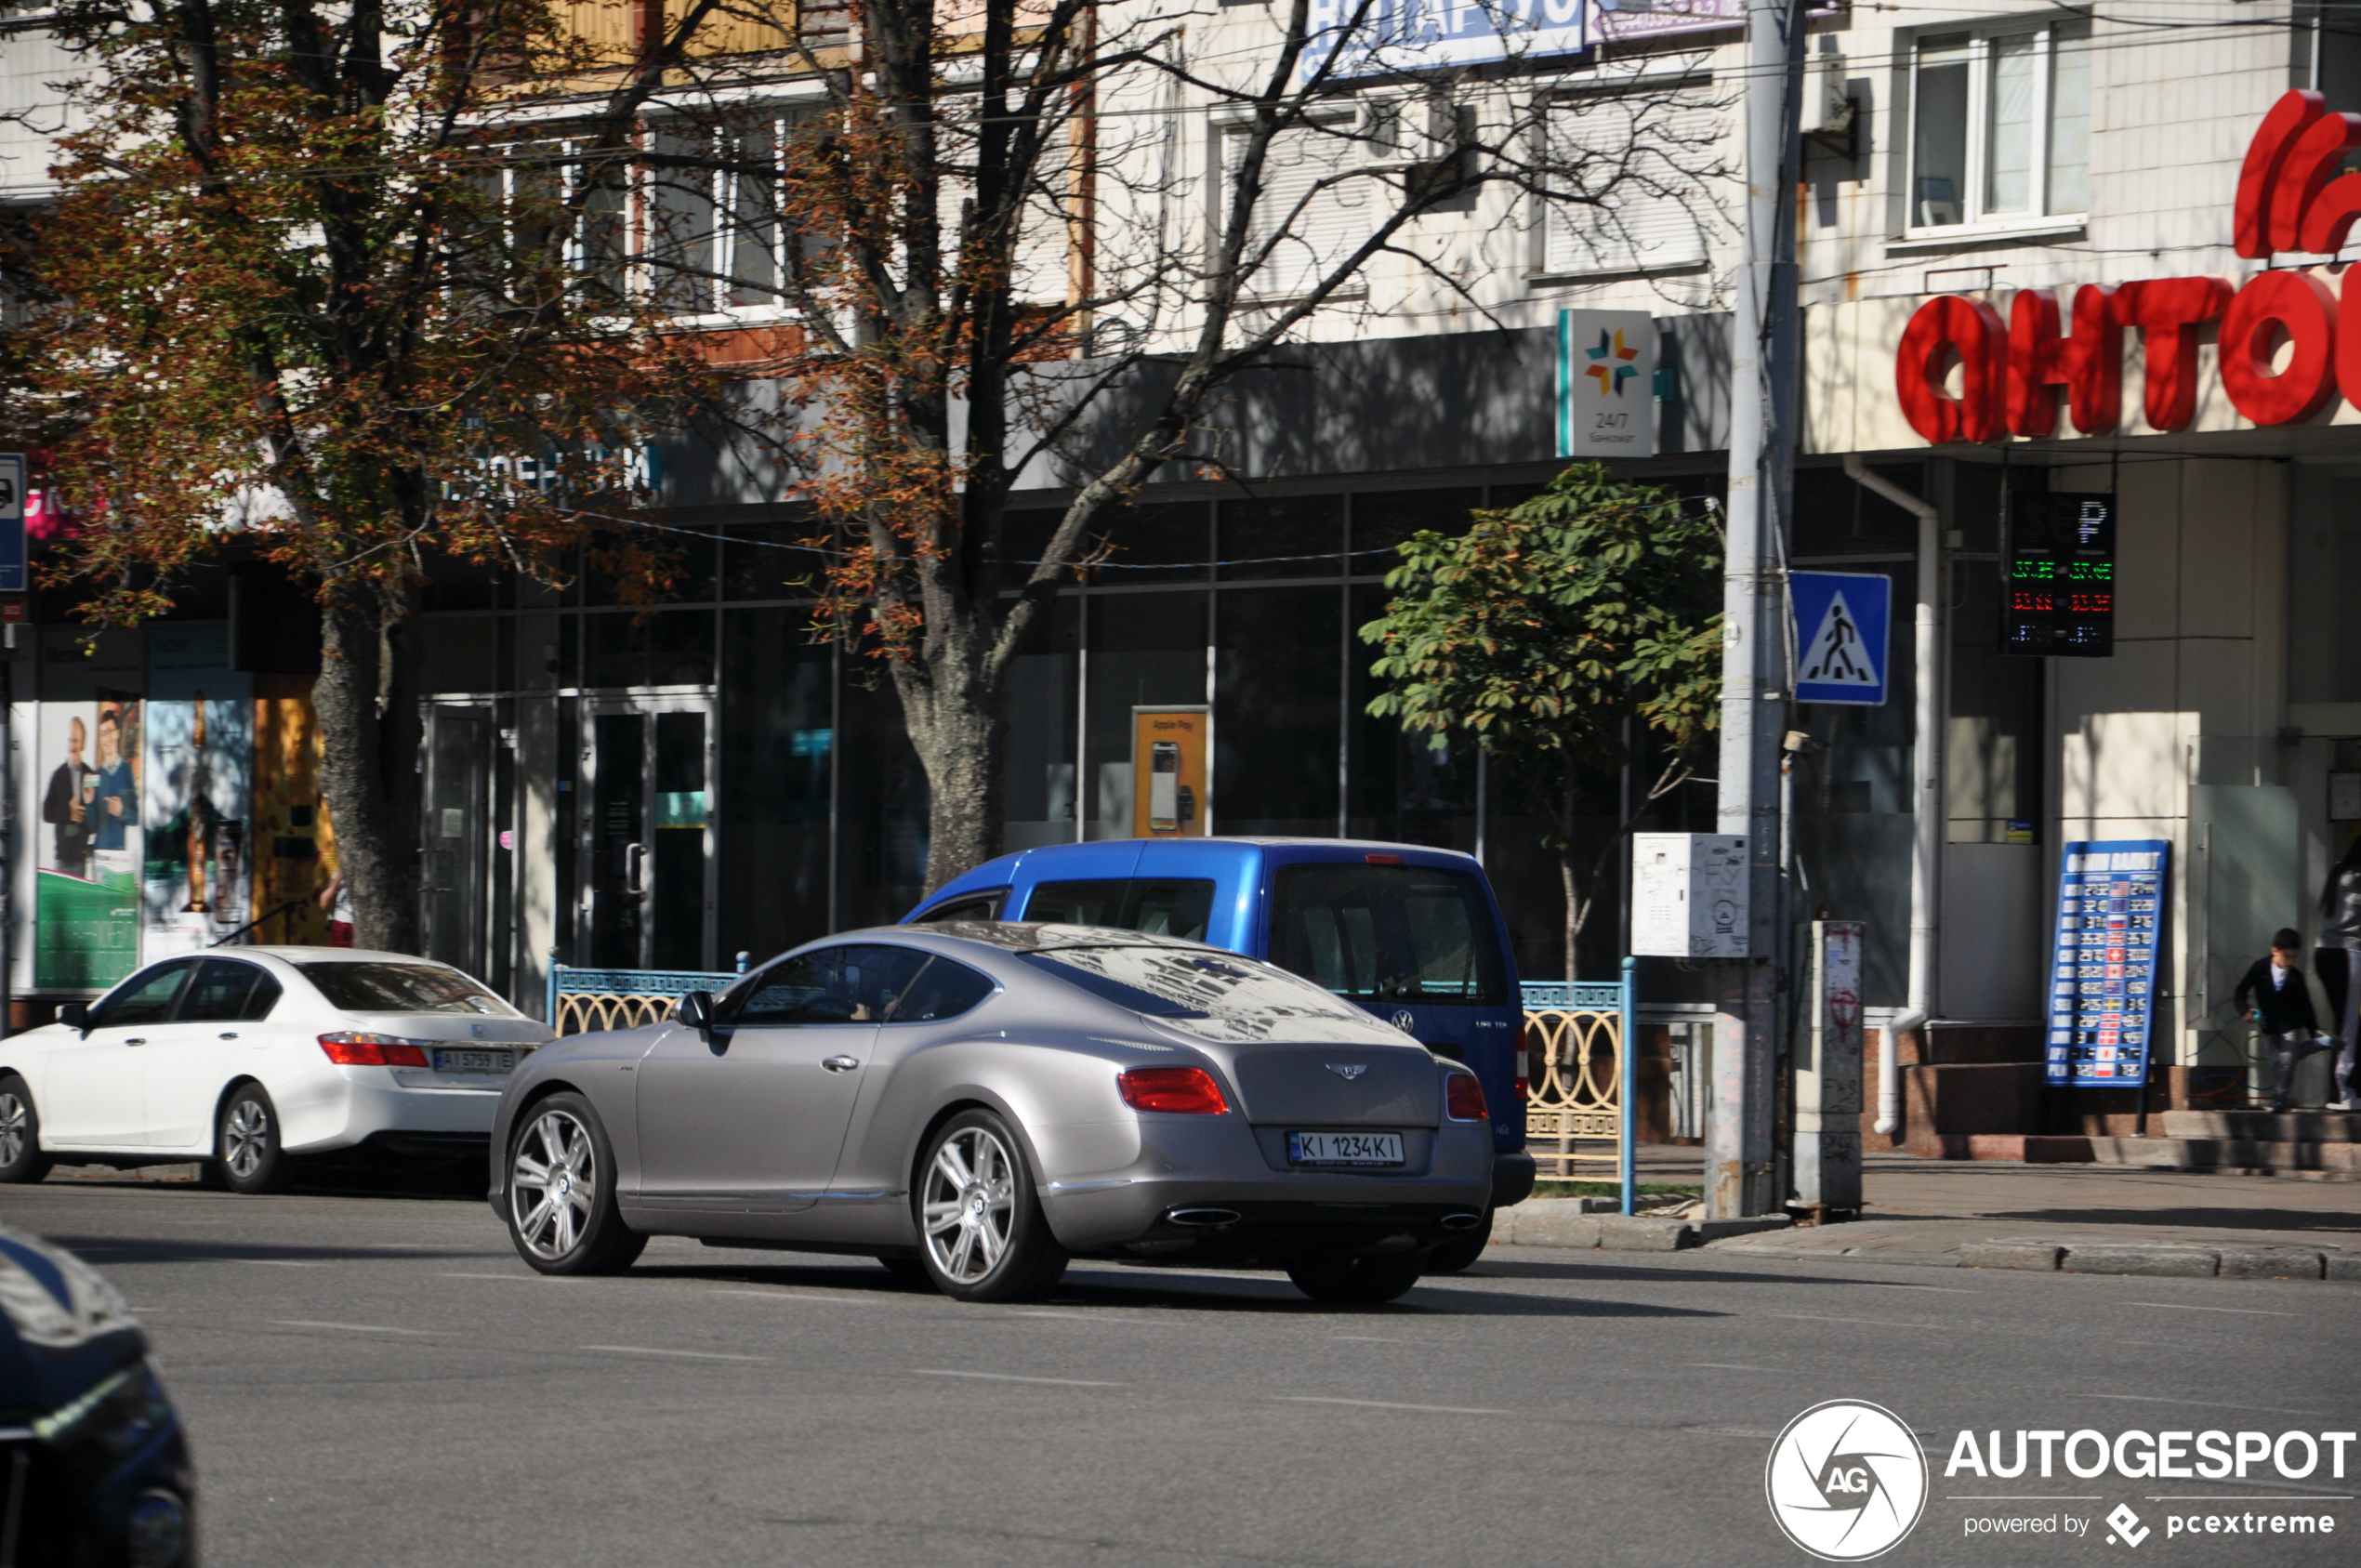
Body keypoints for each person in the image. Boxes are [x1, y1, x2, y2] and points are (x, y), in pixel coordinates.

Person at [2234, 929, 2322, 1113]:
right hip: (2269, 1025)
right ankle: (2321, 1044)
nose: (2290, 961)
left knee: (2288, 1060)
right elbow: (2240, 992)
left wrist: (2313, 1029)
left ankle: (2279, 1099)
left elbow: (2306, 1006)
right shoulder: (2260, 968)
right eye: (2286, 956)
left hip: (2292, 1024)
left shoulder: (2296, 977)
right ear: (2274, 951)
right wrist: (2245, 1011)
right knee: (2278, 1061)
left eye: (2294, 957)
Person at [2315, 837, 2361, 1111]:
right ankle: (2346, 1092)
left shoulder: (2338, 872)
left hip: (2325, 952)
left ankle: (2348, 1087)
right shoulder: (2357, 877)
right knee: (2349, 1026)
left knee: (2347, 1022)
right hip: (2346, 953)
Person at [39, 717, 93, 878]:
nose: (72, 745)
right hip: (61, 859)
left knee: (77, 903)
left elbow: (95, 819)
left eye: (76, 740)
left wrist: (89, 803)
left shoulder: (90, 774)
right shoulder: (58, 774)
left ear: (83, 743)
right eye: (70, 740)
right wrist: (68, 812)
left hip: (80, 860)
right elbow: (46, 813)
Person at [91, 711, 137, 853]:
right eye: (103, 733)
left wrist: (121, 811)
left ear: (117, 733)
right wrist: (88, 802)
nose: (107, 738)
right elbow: (91, 826)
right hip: (99, 854)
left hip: (119, 854)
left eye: (110, 731)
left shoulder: (127, 771)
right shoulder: (95, 776)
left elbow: (136, 818)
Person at [318, 869, 354, 947]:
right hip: (341, 925)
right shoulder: (339, 874)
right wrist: (338, 879)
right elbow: (323, 904)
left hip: (356, 926)